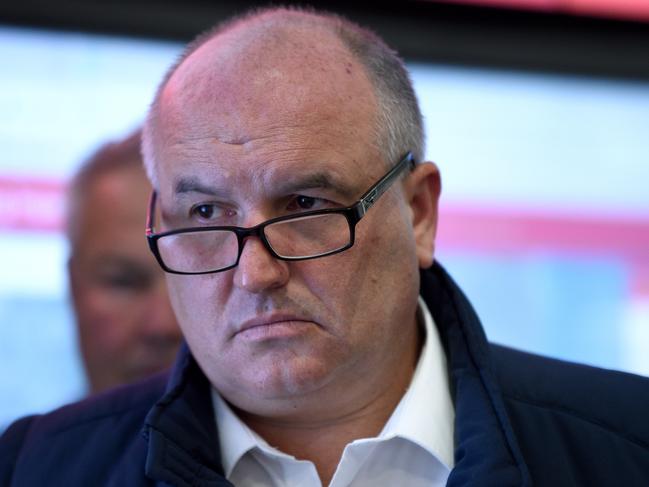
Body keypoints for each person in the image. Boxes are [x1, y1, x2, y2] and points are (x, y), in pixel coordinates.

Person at [2, 7, 649, 486]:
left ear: (417, 212)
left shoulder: (624, 444)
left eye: (305, 206)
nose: (255, 272)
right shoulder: (36, 467)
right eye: (204, 212)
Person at [66, 129, 182, 394]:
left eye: (195, 279)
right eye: (124, 282)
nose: (163, 325)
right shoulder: (25, 437)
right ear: (73, 288)